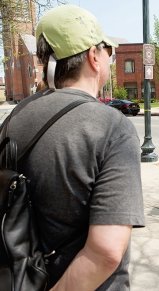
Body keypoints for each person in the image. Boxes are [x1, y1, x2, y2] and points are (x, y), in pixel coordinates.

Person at [3, 4, 144, 291]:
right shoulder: (111, 127)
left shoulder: (14, 117)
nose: (109, 58)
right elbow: (106, 252)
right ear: (94, 56)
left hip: (20, 278)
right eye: (108, 51)